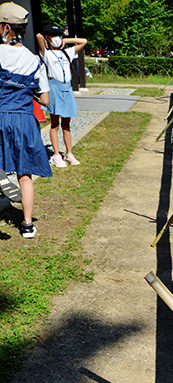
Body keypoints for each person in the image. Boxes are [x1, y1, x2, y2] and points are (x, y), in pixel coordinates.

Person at [0, 1, 51, 238]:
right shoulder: (34, 60)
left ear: (6, 27)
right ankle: (28, 225)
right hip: (24, 120)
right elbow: (45, 101)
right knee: (25, 174)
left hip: (0, 115)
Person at [36, 25, 87, 168]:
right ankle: (56, 155)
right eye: (53, 35)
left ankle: (69, 153)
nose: (56, 38)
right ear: (48, 38)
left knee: (66, 124)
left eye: (58, 35)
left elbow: (84, 41)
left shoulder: (67, 53)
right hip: (54, 88)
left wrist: (65, 41)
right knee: (55, 124)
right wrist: (46, 41)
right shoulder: (46, 54)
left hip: (67, 88)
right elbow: (39, 36)